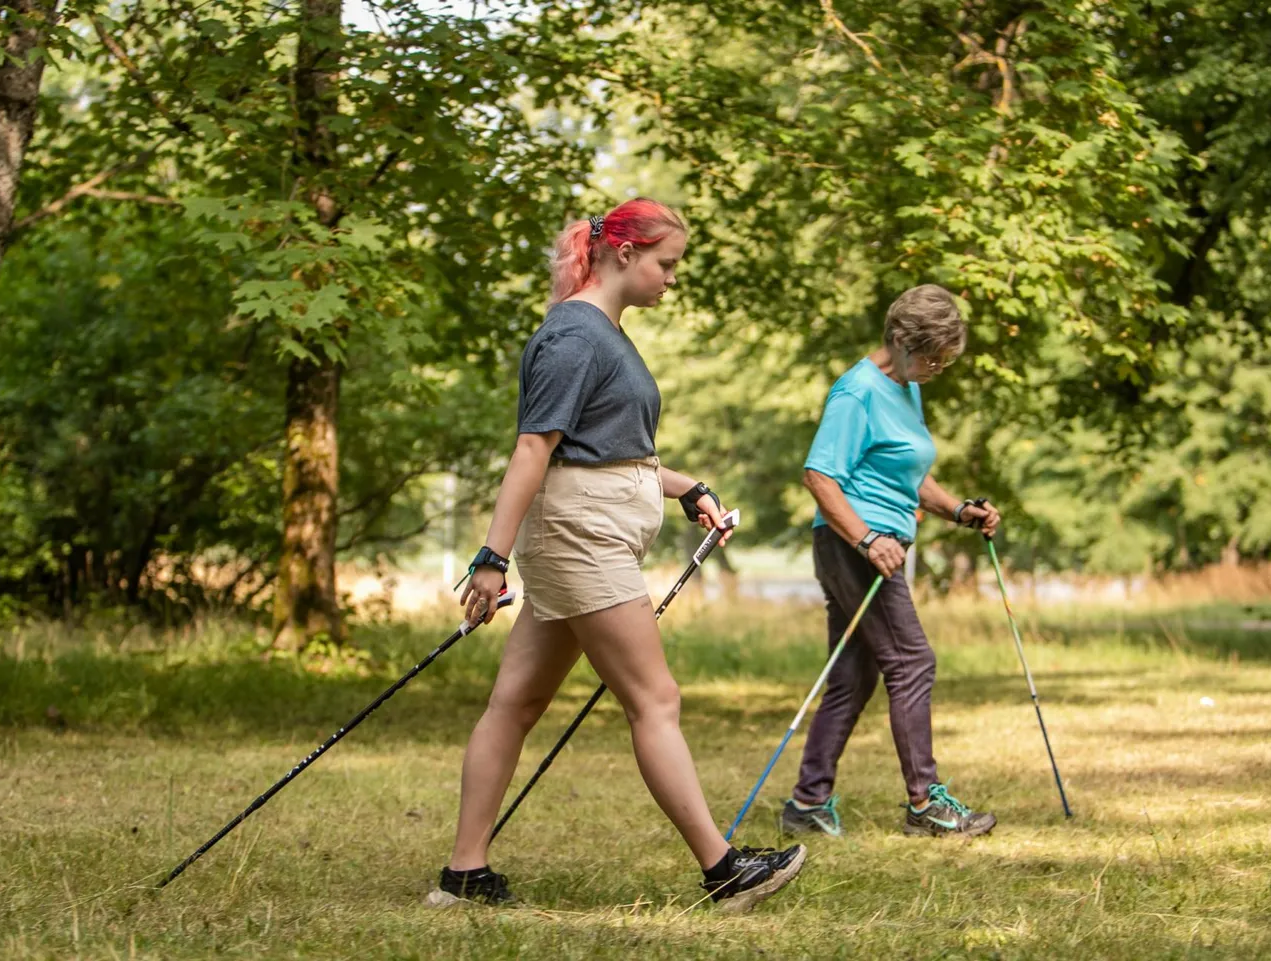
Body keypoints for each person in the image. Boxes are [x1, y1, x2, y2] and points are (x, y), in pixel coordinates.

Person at [427, 198, 805, 913]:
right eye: (667, 264)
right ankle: (723, 869)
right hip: (582, 541)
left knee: (515, 702)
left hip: (589, 532)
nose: (671, 279)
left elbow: (605, 454)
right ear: (625, 253)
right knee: (654, 698)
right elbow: (535, 450)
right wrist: (490, 557)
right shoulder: (575, 335)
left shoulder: (602, 333)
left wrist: (686, 486)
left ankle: (463, 875)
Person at [780, 284, 1002, 840]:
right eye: (932, 357)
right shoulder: (856, 392)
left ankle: (808, 803)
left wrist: (959, 510)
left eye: (945, 360)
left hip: (877, 544)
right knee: (913, 662)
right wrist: (863, 539)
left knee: (854, 676)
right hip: (856, 546)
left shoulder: (906, 387)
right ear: (901, 341)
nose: (937, 368)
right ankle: (925, 804)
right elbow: (819, 476)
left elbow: (910, 475)